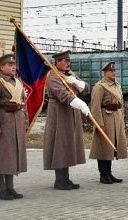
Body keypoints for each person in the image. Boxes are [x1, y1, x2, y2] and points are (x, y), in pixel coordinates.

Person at [43, 50, 90, 190]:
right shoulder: (53, 76)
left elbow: (86, 89)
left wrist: (77, 82)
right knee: (60, 144)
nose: (68, 63)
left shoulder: (69, 75)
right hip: (59, 113)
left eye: (69, 61)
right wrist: (81, 104)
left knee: (68, 145)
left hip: (70, 113)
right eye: (65, 61)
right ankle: (59, 180)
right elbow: (62, 95)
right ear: (57, 62)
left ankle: (66, 178)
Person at [0, 54, 28, 200]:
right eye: (10, 65)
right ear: (1, 67)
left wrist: (25, 122)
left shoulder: (17, 82)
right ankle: (1, 190)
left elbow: (23, 103)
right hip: (3, 124)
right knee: (1, 157)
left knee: (11, 157)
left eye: (13, 65)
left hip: (16, 123)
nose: (13, 67)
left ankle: (10, 188)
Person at [89, 61, 128, 184]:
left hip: (116, 118)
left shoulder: (117, 85)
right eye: (111, 71)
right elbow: (95, 107)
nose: (113, 73)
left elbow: (121, 104)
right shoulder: (99, 87)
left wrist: (122, 119)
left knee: (112, 147)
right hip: (105, 119)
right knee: (103, 148)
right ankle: (103, 174)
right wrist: (99, 124)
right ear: (105, 73)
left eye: (114, 70)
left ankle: (109, 173)